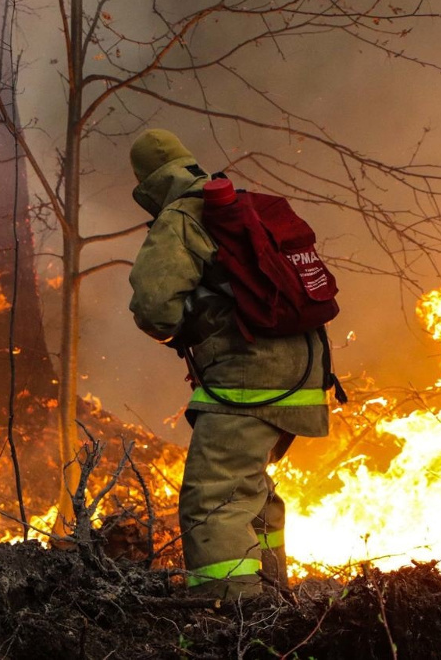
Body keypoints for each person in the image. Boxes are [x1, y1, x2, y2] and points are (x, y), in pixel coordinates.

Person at [127, 129, 330, 600]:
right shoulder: (240, 206)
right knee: (249, 489)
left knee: (215, 495)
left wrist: (192, 326)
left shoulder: (182, 215)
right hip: (304, 375)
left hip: (250, 378)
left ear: (148, 185)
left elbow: (154, 307)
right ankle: (271, 598)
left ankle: (228, 609)